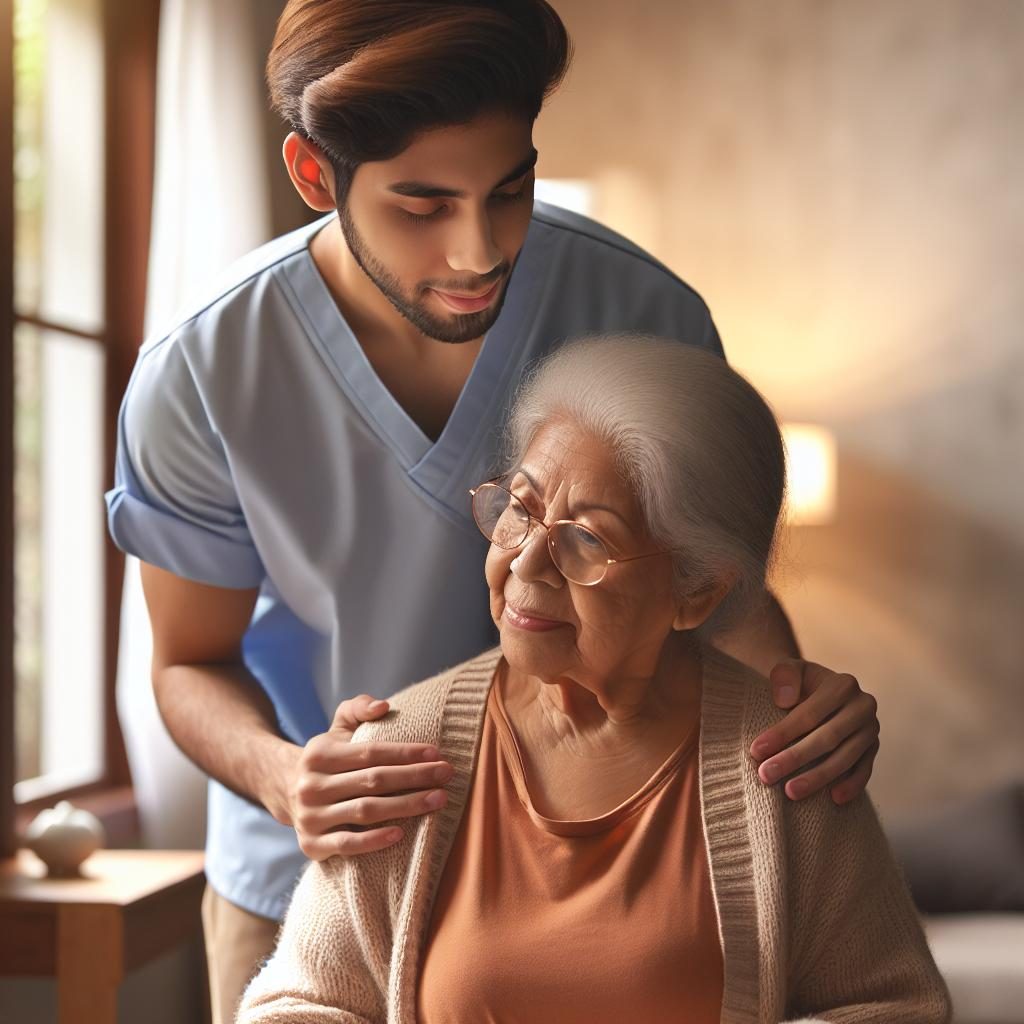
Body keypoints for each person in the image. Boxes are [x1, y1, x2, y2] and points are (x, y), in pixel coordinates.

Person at [105, 3, 881, 1021]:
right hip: (312, 884)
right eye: (421, 205)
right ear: (312, 176)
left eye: (508, 190)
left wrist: (796, 715)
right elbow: (184, 660)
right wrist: (288, 778)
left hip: (605, 874)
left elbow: (709, 596)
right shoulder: (205, 371)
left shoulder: (646, 314)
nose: (478, 251)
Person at [236, 336, 950, 1024]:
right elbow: (300, 1008)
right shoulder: (403, 751)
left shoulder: (787, 767)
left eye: (588, 540)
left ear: (695, 592)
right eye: (520, 507)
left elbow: (895, 1008)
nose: (525, 564)